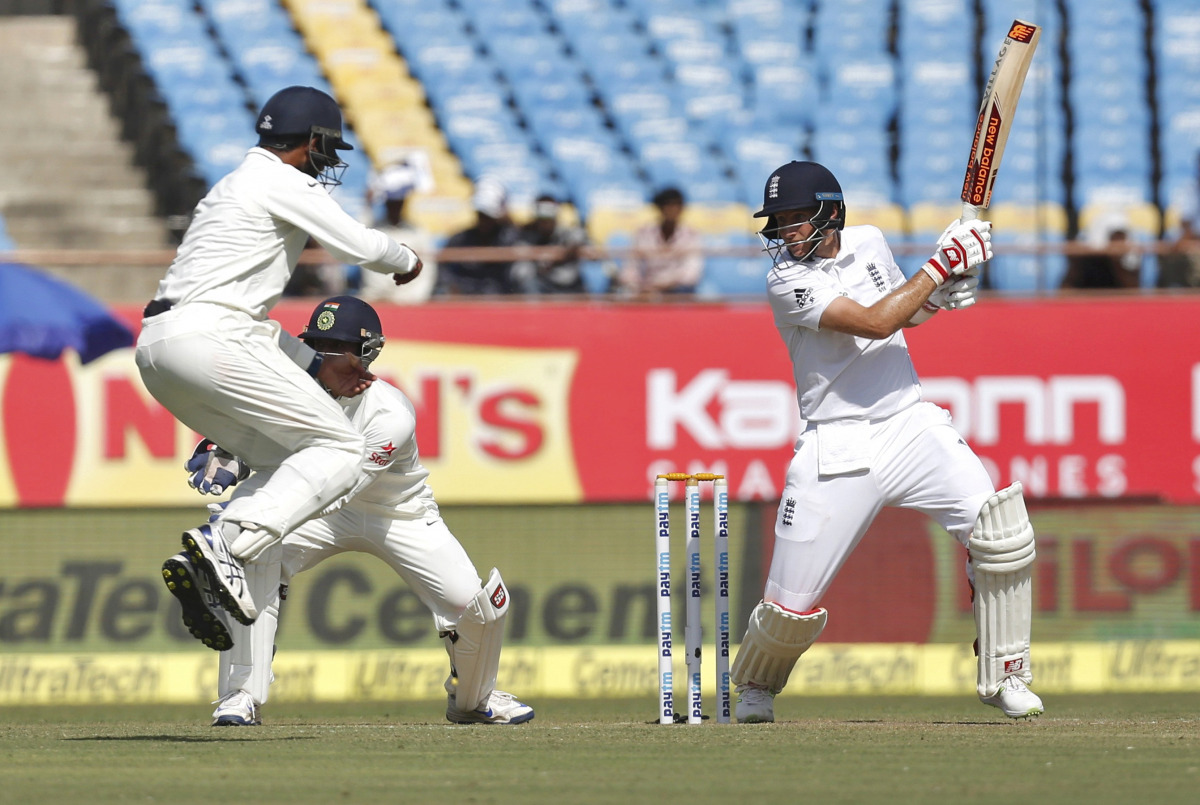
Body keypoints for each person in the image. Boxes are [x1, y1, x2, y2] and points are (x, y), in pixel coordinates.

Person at [728, 161, 1043, 724]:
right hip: (837, 444)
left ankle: (1007, 672)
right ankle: (755, 685)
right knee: (788, 609)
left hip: (909, 423)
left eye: (798, 218)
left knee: (1000, 533)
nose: (786, 232)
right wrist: (942, 263)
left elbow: (903, 315)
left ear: (832, 212)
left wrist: (940, 292)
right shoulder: (786, 283)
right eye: (780, 222)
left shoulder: (870, 242)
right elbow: (873, 322)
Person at [162, 296, 534, 726]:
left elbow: (339, 486)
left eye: (339, 348)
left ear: (367, 355)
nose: (326, 358)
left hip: (398, 514)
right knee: (252, 550)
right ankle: (241, 694)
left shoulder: (390, 414)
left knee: (476, 608)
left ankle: (475, 700)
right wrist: (231, 449)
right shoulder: (288, 390)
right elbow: (260, 439)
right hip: (319, 514)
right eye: (319, 345)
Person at [138, 86, 424, 633]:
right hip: (211, 336)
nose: (328, 161)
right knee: (341, 447)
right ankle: (222, 545)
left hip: (159, 348)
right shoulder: (278, 179)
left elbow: (246, 317)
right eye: (326, 148)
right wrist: (406, 259)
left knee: (280, 462)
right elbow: (359, 246)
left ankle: (209, 562)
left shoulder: (231, 187)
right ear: (313, 140)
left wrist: (316, 365)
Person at [359, 157, 439, 303]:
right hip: (374, 300)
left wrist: (414, 300)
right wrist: (367, 205)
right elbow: (356, 236)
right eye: (391, 202)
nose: (395, 207)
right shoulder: (374, 229)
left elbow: (428, 271)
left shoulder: (417, 232)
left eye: (398, 202)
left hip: (408, 303)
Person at [437, 177, 522, 295]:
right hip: (465, 299)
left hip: (500, 300)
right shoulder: (460, 239)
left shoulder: (512, 239)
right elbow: (443, 269)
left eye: (488, 216)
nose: (484, 220)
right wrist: (452, 288)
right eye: (480, 214)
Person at [616, 186, 704, 296]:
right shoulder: (643, 233)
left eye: (676, 205)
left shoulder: (692, 235)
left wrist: (658, 286)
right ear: (660, 208)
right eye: (668, 205)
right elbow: (631, 268)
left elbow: (691, 274)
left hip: (677, 292)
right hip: (645, 292)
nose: (672, 210)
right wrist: (637, 287)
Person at [511, 194, 589, 294]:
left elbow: (581, 238)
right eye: (541, 219)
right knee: (525, 276)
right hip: (542, 286)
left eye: (548, 218)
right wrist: (542, 265)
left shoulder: (567, 233)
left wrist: (566, 252)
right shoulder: (527, 236)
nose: (545, 223)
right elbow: (520, 269)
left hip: (569, 287)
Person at [1060, 210, 1141, 289]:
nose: (1118, 243)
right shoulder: (1083, 261)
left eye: (1121, 238)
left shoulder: (1131, 259)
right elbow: (1065, 291)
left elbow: (1133, 292)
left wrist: (1117, 264)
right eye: (1115, 237)